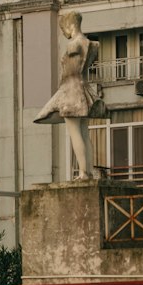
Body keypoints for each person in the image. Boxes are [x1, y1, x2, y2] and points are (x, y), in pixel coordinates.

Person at [33, 9, 99, 180]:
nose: (65, 34)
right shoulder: (92, 44)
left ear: (70, 25)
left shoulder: (73, 45)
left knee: (75, 131)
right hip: (84, 89)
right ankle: (88, 171)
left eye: (64, 31)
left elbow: (68, 73)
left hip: (71, 91)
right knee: (84, 132)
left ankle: (84, 172)